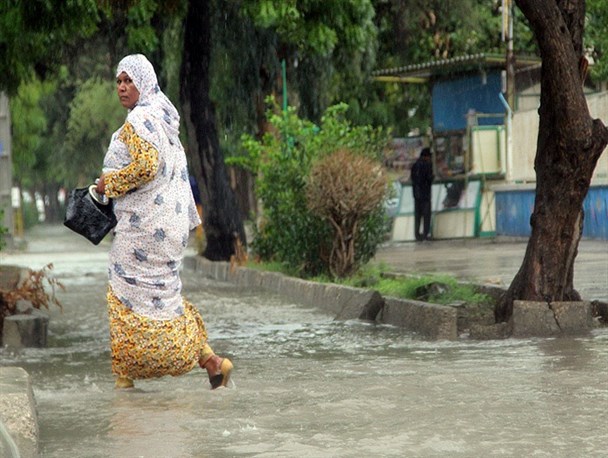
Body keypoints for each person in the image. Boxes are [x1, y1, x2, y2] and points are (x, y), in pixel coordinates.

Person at [95, 54, 232, 390]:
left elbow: (146, 167)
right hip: (168, 228)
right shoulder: (165, 119)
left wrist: (105, 185)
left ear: (144, 81)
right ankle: (213, 363)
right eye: (119, 81)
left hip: (141, 229)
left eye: (129, 80)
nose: (123, 87)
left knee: (123, 294)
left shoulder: (140, 120)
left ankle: (123, 386)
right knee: (162, 295)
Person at [410, 147, 434, 241]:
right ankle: (425, 234)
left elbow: (413, 179)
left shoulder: (415, 165)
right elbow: (429, 178)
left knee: (418, 216)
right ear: (426, 156)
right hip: (425, 194)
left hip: (416, 195)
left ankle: (417, 234)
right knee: (426, 215)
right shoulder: (427, 165)